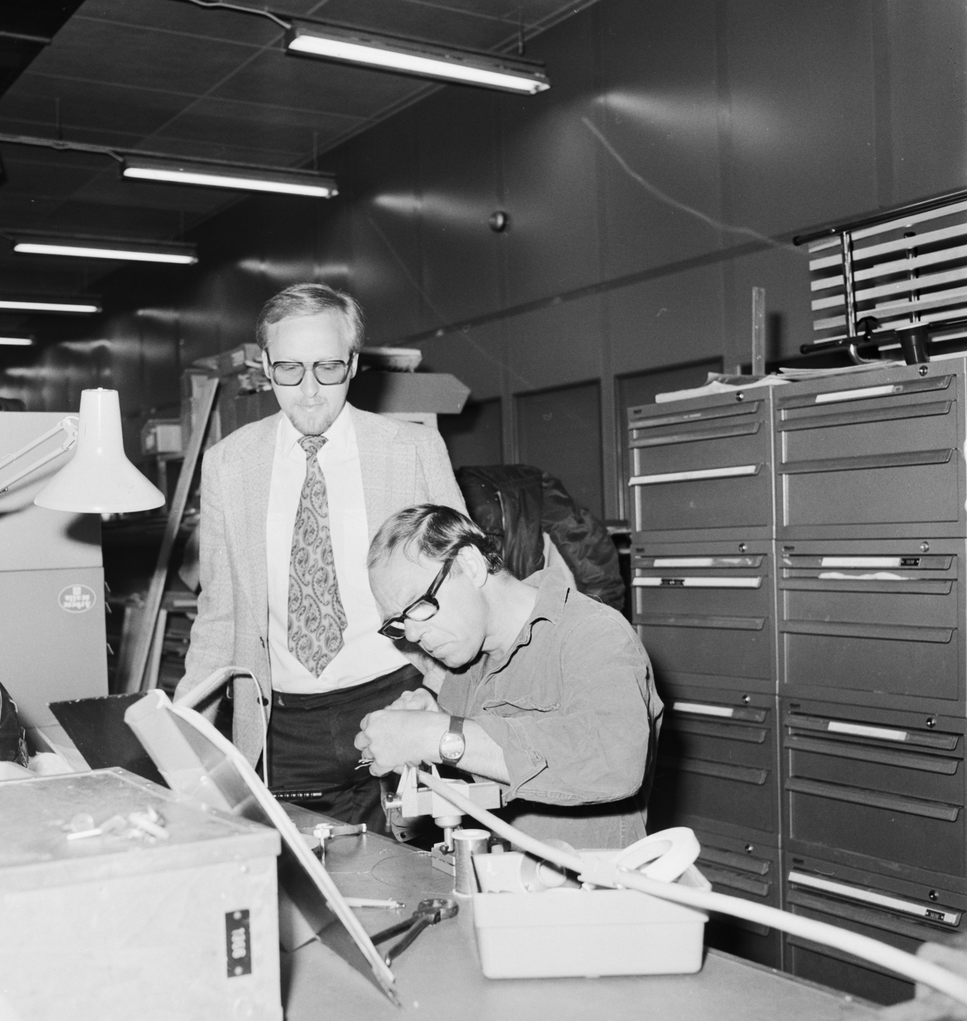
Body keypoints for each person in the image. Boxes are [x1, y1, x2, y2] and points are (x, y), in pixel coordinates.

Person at [177, 284, 464, 831]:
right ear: (265, 366)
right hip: (283, 727)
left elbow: (462, 593)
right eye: (289, 369)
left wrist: (440, 695)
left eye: (328, 368)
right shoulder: (228, 465)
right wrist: (182, 738)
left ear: (353, 364)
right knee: (302, 874)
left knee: (411, 868)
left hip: (398, 700)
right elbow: (219, 616)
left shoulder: (413, 451)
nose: (309, 392)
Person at [353, 504, 661, 847]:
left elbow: (616, 763)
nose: (411, 635)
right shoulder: (464, 665)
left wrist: (439, 735)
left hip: (586, 876)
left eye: (418, 605)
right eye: (398, 622)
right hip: (493, 870)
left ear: (470, 565)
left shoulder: (592, 632)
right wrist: (426, 744)